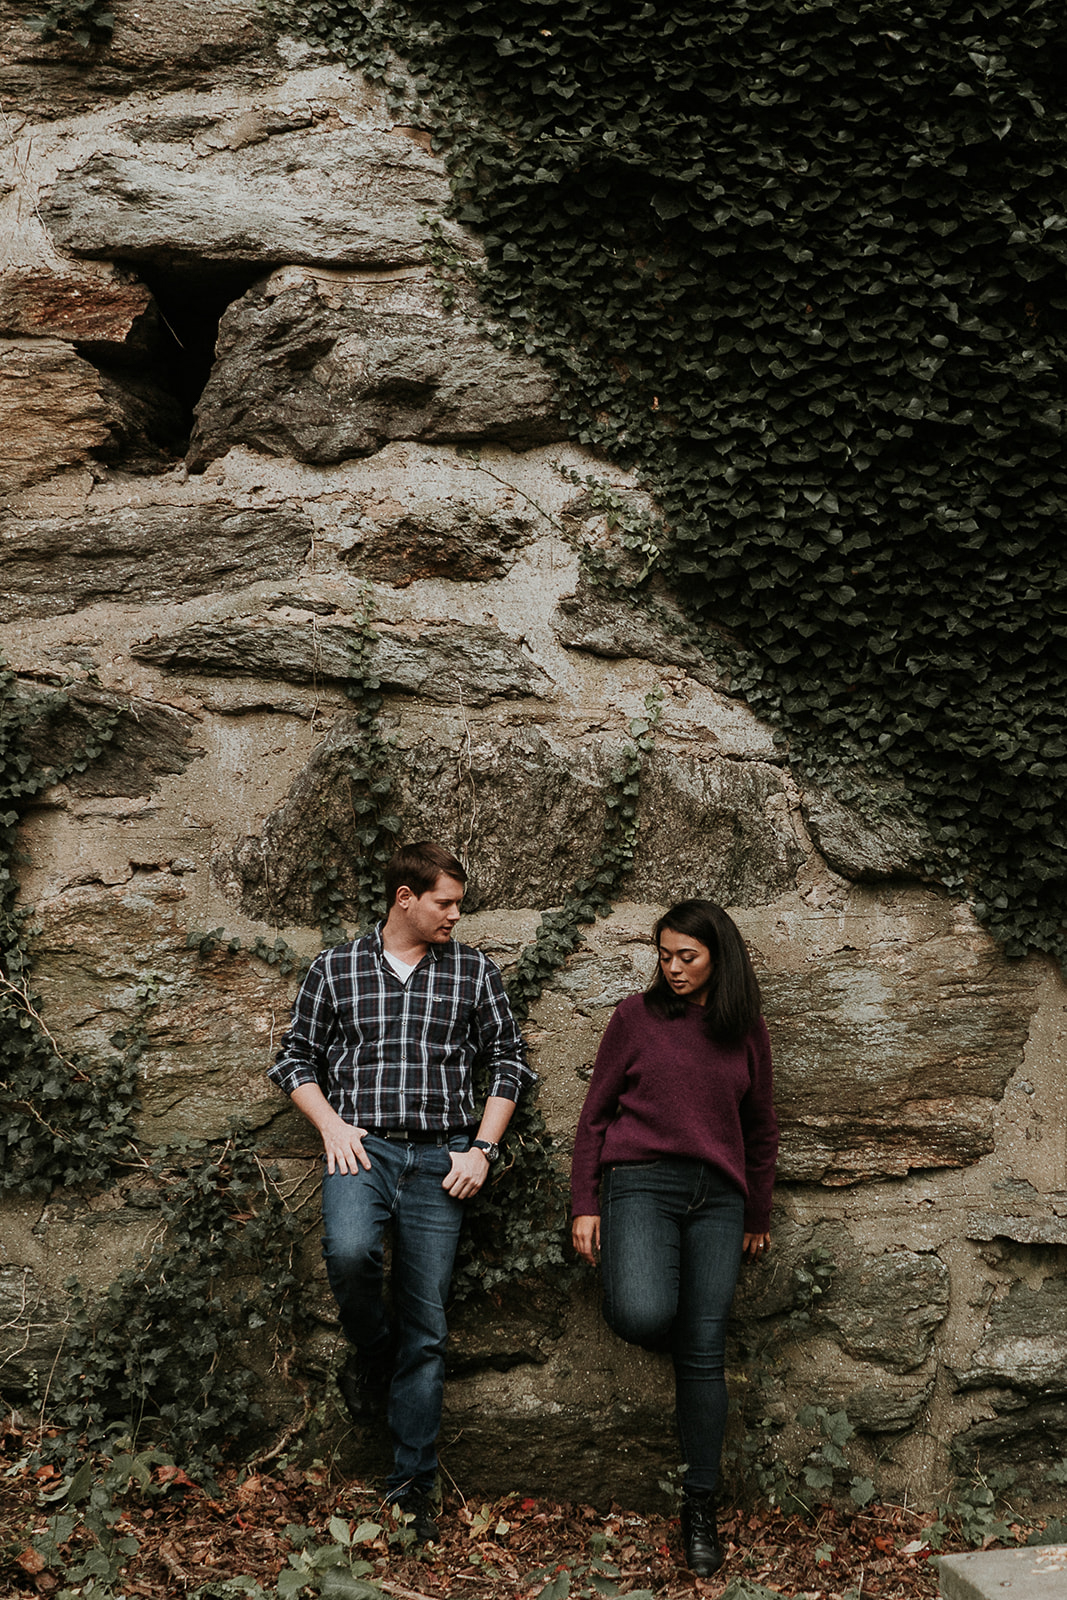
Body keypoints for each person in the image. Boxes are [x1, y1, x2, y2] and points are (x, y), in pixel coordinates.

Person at [268, 840, 534, 1543]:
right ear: (404, 898)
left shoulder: (473, 971)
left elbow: (508, 1063)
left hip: (443, 1160)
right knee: (350, 1254)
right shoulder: (337, 967)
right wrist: (329, 1125)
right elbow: (294, 1056)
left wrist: (483, 1148)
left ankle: (411, 1484)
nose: (455, 914)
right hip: (363, 1147)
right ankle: (375, 1353)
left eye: (458, 903)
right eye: (444, 902)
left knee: (430, 1325)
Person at [570, 899, 778, 1578]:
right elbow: (594, 1115)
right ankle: (688, 1334)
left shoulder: (744, 1029)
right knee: (641, 1312)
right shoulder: (634, 1018)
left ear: (719, 955)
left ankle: (698, 1508)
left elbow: (760, 1130)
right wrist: (584, 1203)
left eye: (685, 956)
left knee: (703, 1354)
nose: (672, 968)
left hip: (718, 1199)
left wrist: (756, 1216)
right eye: (663, 955)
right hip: (640, 1185)